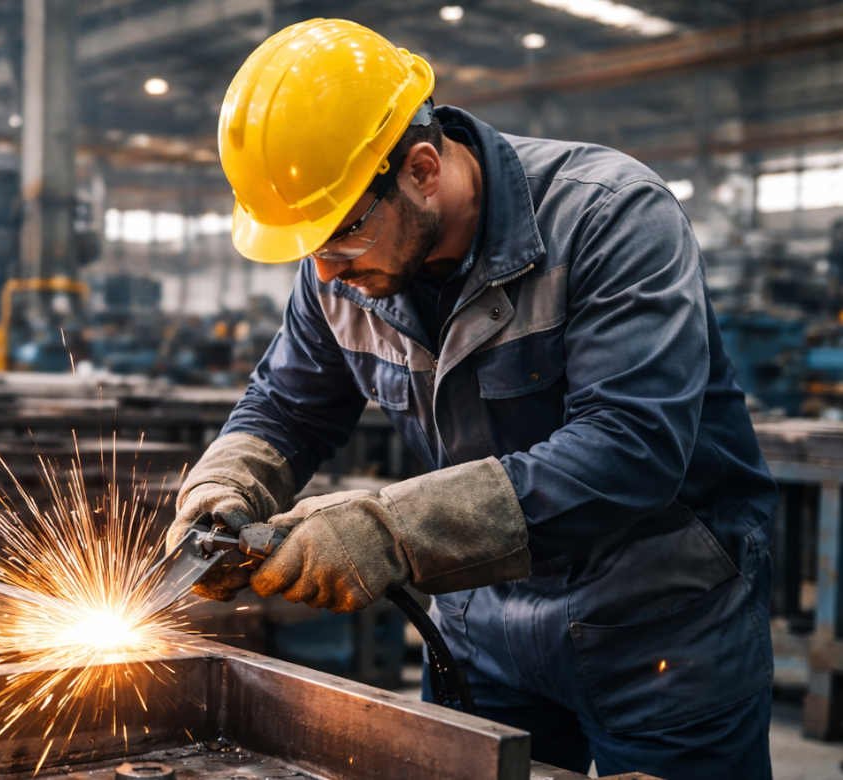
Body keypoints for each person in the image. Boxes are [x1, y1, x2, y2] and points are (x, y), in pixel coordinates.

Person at [166, 18, 775, 779]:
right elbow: (286, 407)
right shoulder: (342, 267)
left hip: (659, 630)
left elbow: (629, 449)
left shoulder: (608, 216)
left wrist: (389, 532)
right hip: (482, 628)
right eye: (310, 246)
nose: (324, 273)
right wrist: (225, 485)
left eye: (342, 235)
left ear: (422, 169)